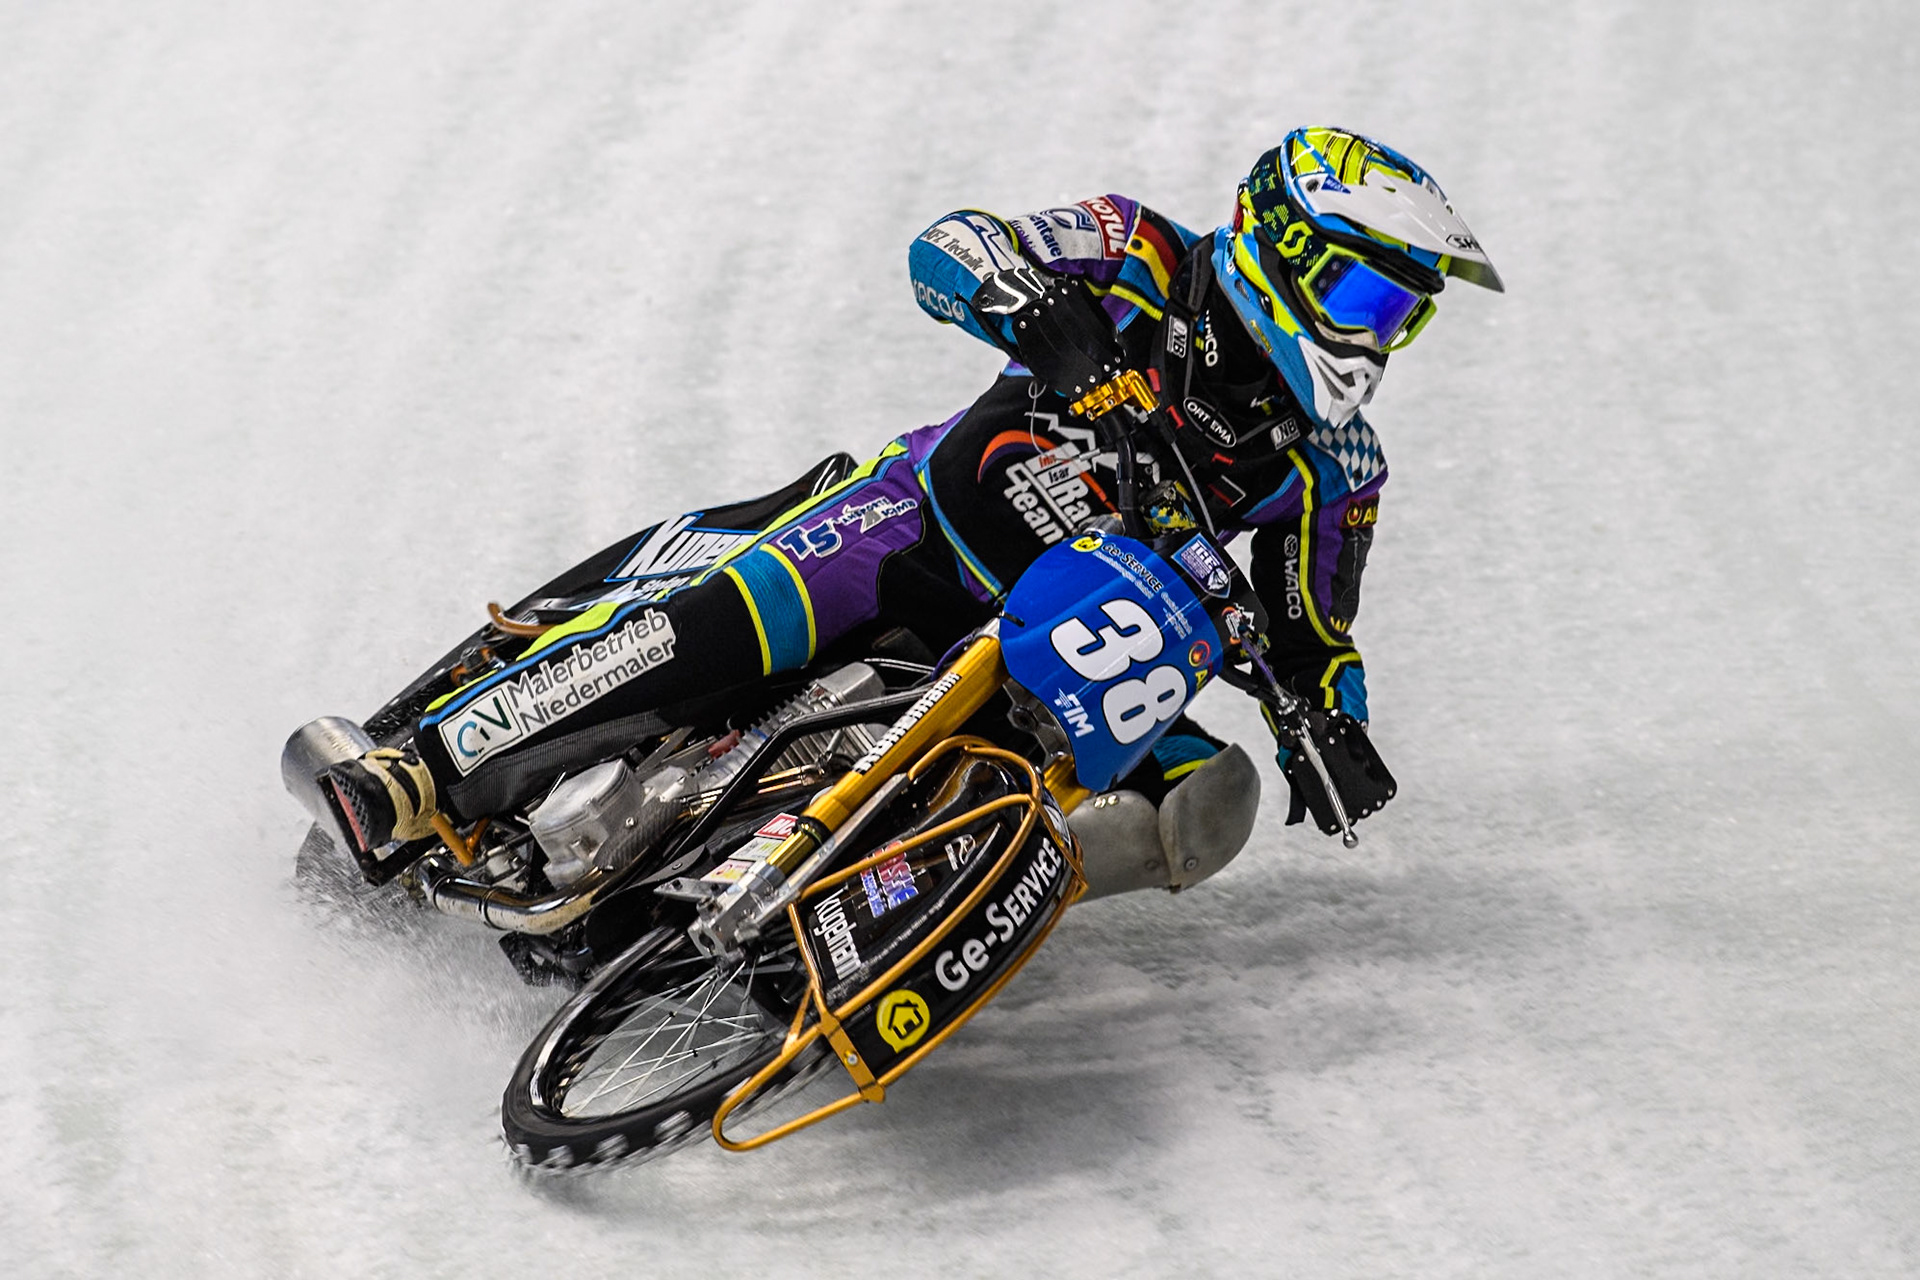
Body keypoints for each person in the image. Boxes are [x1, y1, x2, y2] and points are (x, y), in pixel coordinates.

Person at [320, 127, 1502, 858]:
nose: (1377, 341)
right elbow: (954, 242)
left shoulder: (1340, 469)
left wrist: (1331, 727)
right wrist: (1037, 310)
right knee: (741, 617)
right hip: (922, 530)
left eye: (1404, 316)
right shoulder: (1145, 254)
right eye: (1366, 302)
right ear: (1285, 253)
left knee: (1212, 798)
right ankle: (421, 770)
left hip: (1068, 656)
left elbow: (1312, 629)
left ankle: (959, 910)